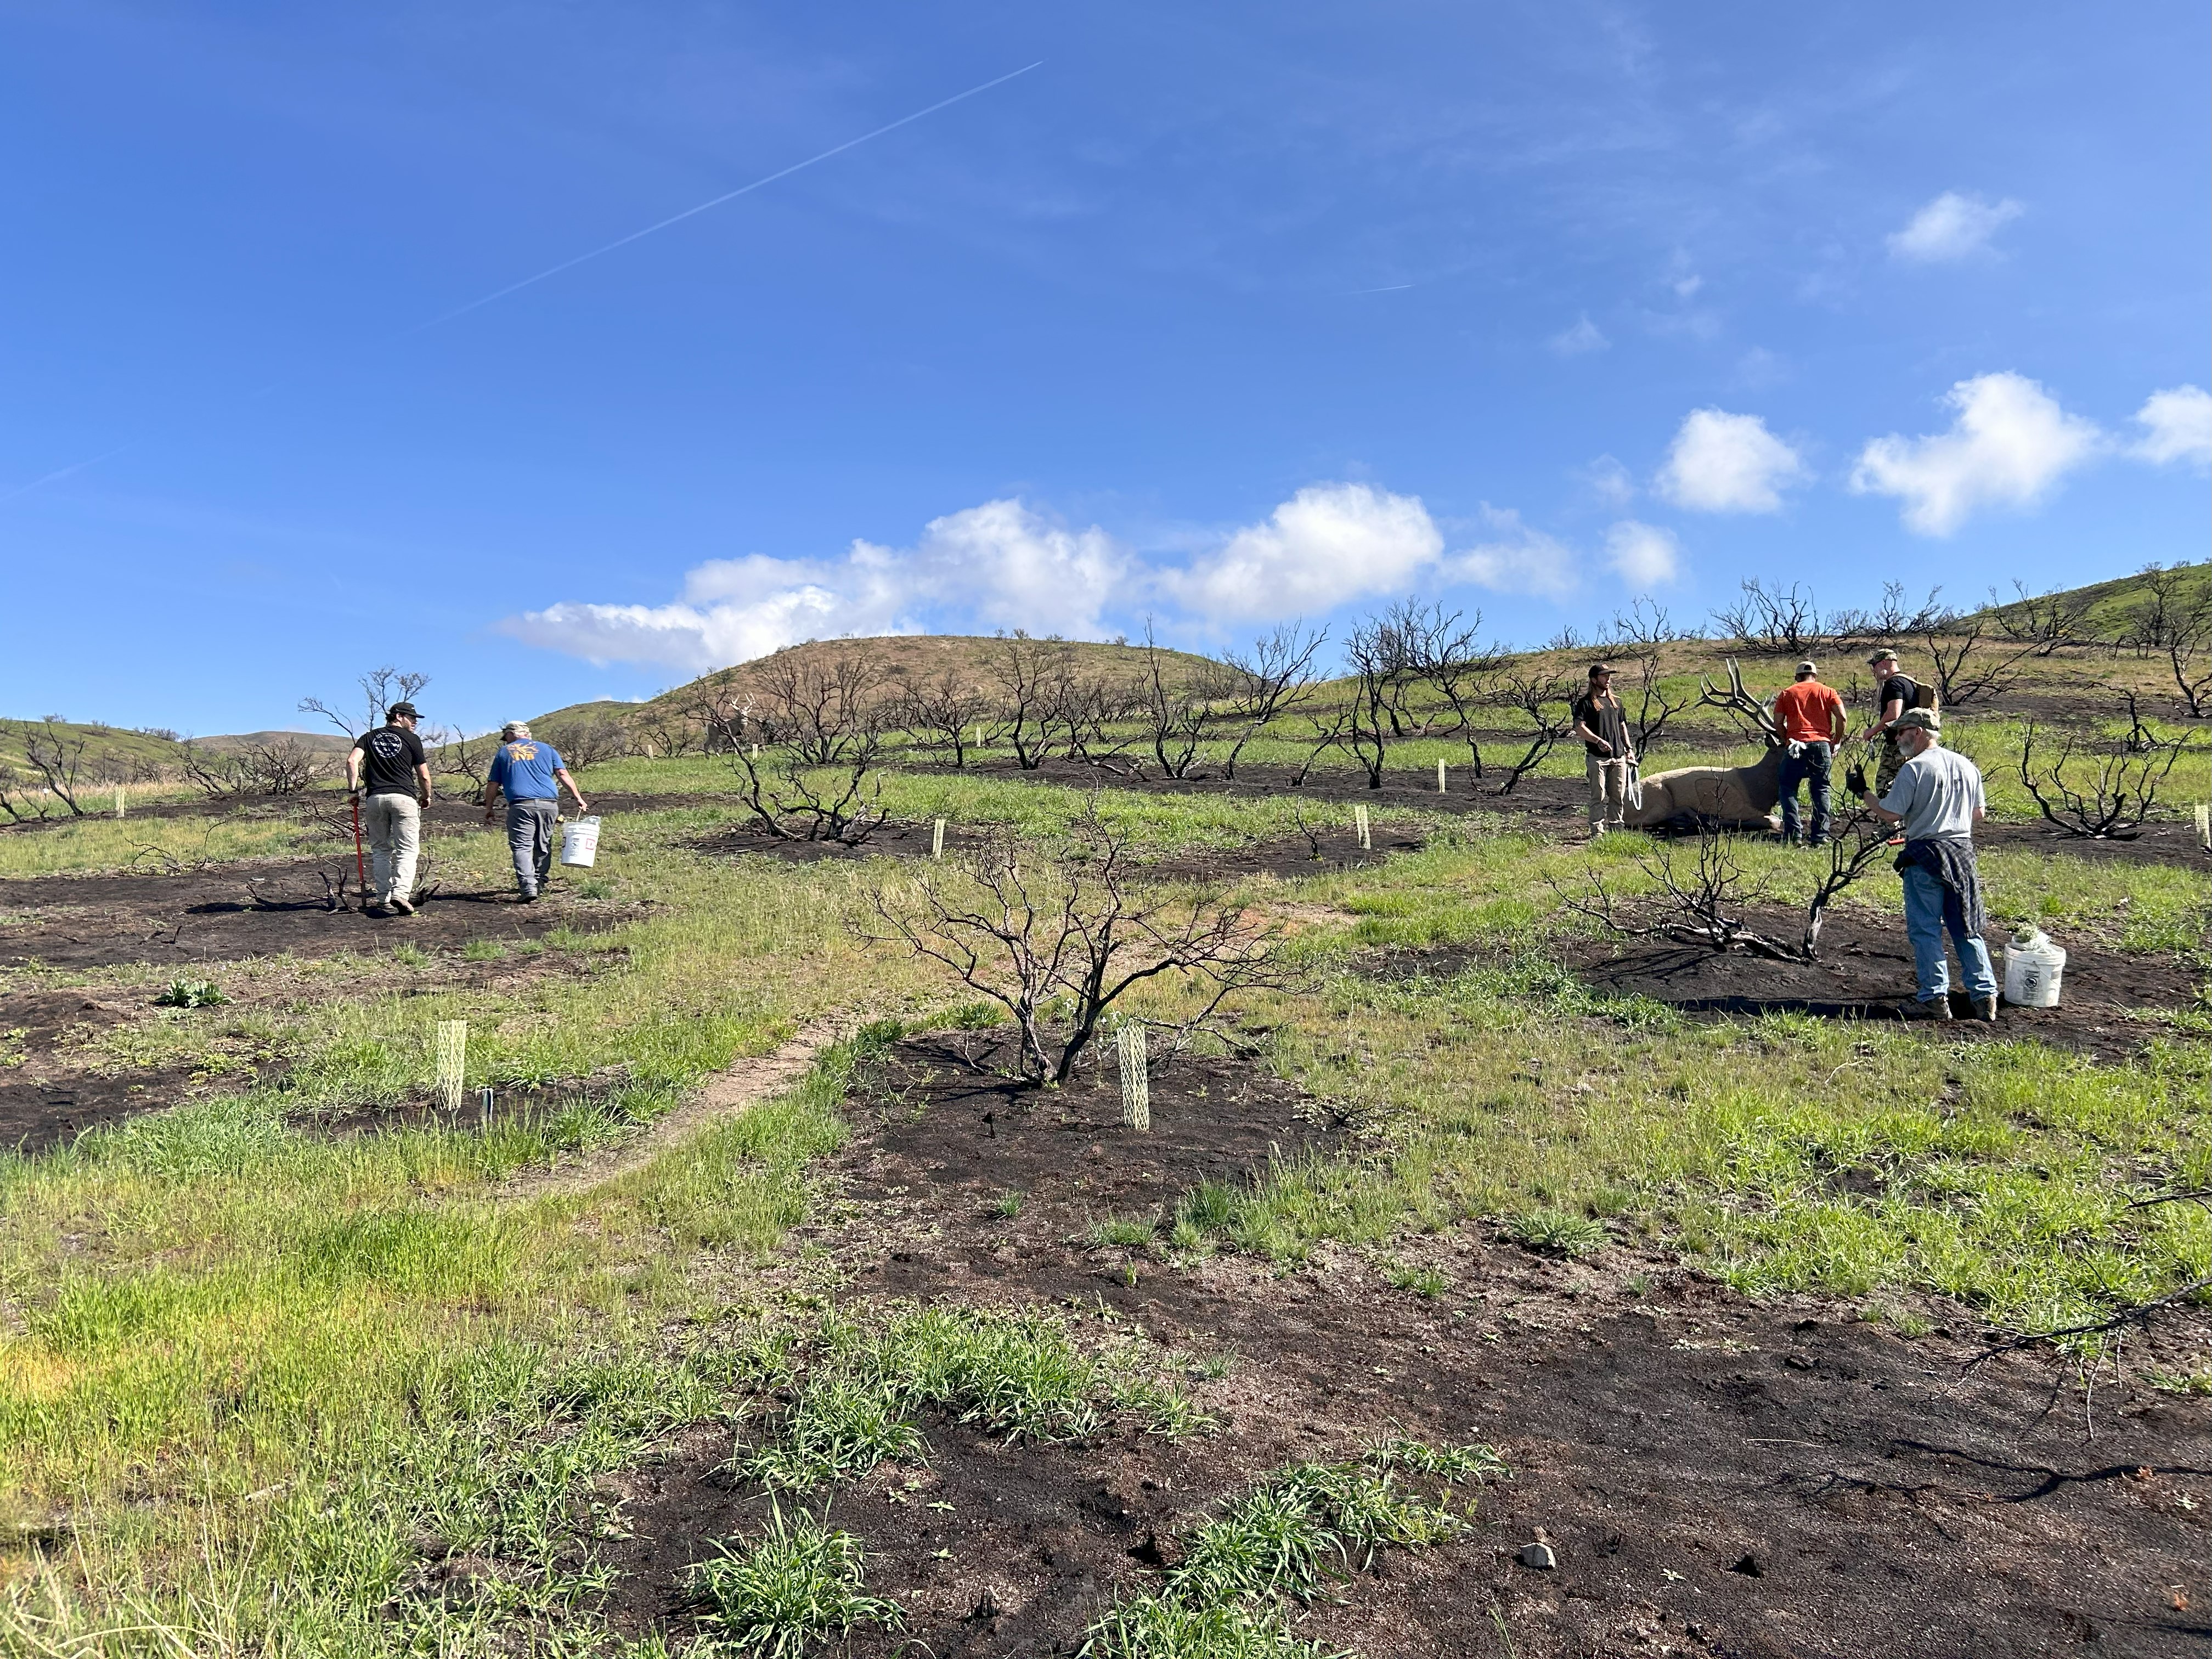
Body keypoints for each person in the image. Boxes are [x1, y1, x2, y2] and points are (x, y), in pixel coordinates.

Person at [1857, 709, 1997, 1022]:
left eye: (1901, 730)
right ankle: (1985, 996)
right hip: (1961, 855)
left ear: (1918, 732)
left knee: (1926, 931)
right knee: (1966, 926)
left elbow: (1890, 814)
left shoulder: (1914, 768)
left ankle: (1934, 999)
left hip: (1925, 856)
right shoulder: (1967, 766)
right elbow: (1978, 814)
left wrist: (1862, 792)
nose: (1896, 737)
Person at [483, 722, 590, 902]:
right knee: (544, 843)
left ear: (512, 734)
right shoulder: (547, 749)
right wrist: (578, 797)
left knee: (522, 846)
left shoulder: (505, 752)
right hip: (549, 805)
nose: (505, 741)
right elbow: (563, 774)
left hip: (521, 805)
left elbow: (493, 784)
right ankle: (539, 883)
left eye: (506, 737)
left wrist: (489, 808)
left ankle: (528, 886)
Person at [346, 701, 432, 916]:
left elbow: (351, 761)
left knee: (380, 849)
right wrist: (426, 796)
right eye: (412, 718)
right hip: (403, 798)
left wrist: (353, 791)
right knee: (408, 849)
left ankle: (383, 898)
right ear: (399, 716)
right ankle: (401, 894)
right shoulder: (412, 739)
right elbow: (423, 774)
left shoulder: (369, 737)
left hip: (375, 799)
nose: (414, 723)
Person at [1770, 660, 1847, 847]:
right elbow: (1842, 718)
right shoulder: (1828, 692)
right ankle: (1819, 838)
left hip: (1795, 745)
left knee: (1788, 788)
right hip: (1821, 744)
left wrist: (1786, 738)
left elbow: (1778, 723)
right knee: (1820, 789)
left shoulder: (1787, 693)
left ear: (1797, 677)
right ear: (1815, 676)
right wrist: (1835, 741)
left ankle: (1793, 835)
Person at [1571, 662, 1635, 837]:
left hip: (1619, 756)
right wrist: (1597, 740)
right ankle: (1597, 832)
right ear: (1593, 680)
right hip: (1597, 758)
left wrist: (1629, 749)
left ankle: (1616, 829)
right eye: (1604, 676)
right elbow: (1579, 727)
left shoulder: (1617, 702)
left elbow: (1622, 726)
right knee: (1598, 796)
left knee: (1618, 796)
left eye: (1609, 675)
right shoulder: (1585, 703)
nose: (1608, 679)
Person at [1857, 647, 1927, 798]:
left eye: (1874, 665)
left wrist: (1872, 732)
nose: (1873, 671)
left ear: (1883, 663)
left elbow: (1893, 715)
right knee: (1909, 791)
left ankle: (1890, 820)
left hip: (1897, 746)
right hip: (1913, 744)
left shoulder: (1893, 684)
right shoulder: (1908, 682)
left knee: (1885, 790)